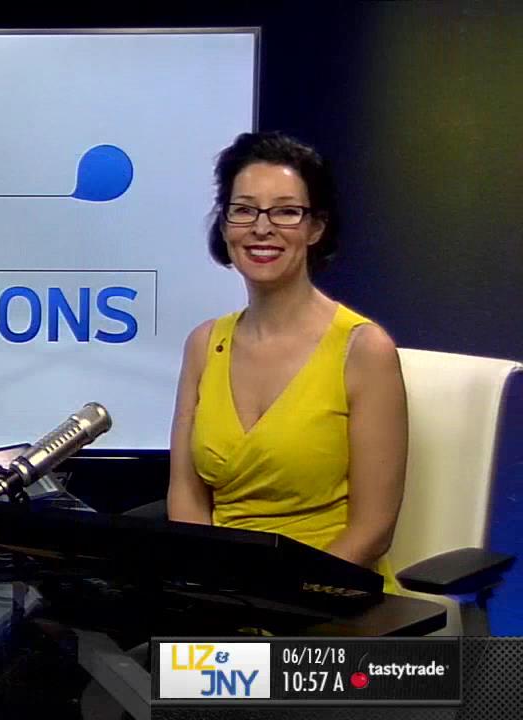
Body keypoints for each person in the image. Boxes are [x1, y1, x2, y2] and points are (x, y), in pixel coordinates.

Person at [167, 131, 407, 589]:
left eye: (285, 211)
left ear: (316, 227)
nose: (262, 228)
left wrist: (280, 599)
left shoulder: (364, 350)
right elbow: (186, 498)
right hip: (223, 596)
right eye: (244, 210)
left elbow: (373, 530)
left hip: (329, 593)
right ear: (225, 226)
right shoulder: (202, 344)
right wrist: (212, 593)